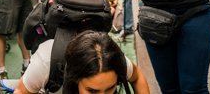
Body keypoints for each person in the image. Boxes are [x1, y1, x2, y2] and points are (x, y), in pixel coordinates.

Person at [12, 30, 149, 94]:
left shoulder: (115, 61)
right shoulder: (46, 62)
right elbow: (20, 91)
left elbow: (137, 77)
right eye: (92, 91)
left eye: (109, 89)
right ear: (74, 78)